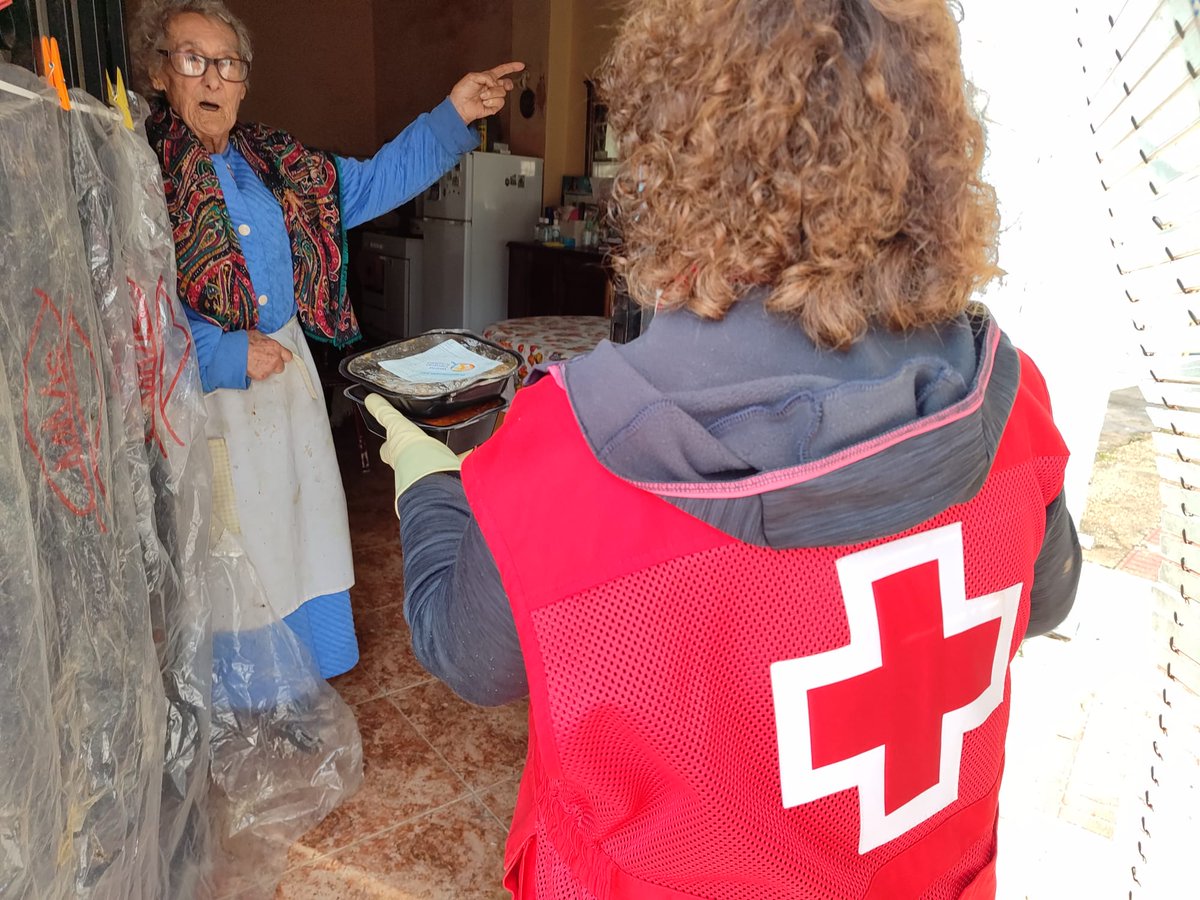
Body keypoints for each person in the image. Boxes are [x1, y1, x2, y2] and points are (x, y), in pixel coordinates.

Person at [367, 0, 1082, 896]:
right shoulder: (1007, 399)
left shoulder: (564, 458)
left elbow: (468, 655)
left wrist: (429, 480)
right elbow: (1045, 600)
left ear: (672, 158)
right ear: (929, 149)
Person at [129, 0, 520, 684]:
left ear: (245, 81)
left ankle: (306, 677)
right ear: (161, 73)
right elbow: (138, 299)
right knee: (238, 541)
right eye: (193, 60)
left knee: (303, 522)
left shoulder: (279, 167)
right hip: (209, 392)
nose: (213, 78)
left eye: (227, 63)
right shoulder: (141, 174)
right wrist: (222, 352)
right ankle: (251, 697)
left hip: (287, 378)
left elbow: (372, 180)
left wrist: (453, 113)